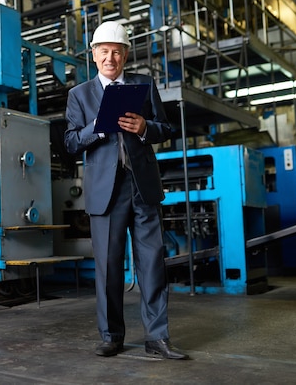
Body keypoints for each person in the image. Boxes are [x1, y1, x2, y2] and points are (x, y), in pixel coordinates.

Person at [64, 21, 188, 360]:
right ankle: (111, 336)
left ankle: (157, 338)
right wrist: (97, 128)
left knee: (152, 265)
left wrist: (145, 127)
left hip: (142, 186)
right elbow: (71, 142)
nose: (110, 57)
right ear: (94, 55)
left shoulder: (144, 85)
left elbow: (166, 128)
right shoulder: (80, 95)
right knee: (109, 268)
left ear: (125, 55)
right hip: (106, 192)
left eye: (116, 52)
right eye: (103, 51)